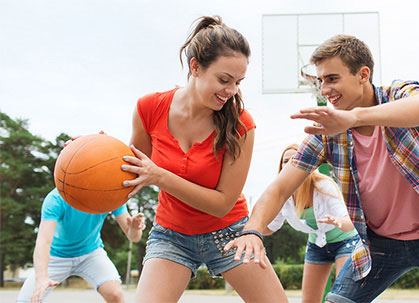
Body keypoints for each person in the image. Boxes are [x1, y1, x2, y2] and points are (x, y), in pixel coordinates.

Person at [225, 35, 419, 303]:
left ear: (363, 74)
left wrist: (354, 117)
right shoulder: (326, 132)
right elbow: (281, 187)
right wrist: (253, 229)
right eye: (320, 81)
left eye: (332, 79)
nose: (324, 90)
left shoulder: (398, 94)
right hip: (380, 245)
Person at [120, 16, 287, 302]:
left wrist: (160, 176)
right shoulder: (148, 108)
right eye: (224, 80)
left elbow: (222, 204)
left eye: (237, 82)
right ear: (195, 67)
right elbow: (131, 171)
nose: (232, 90)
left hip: (230, 232)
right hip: (171, 235)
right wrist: (91, 152)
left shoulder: (241, 124)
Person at [266, 144, 360, 302]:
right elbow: (270, 227)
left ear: (305, 162)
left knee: (341, 298)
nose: (289, 164)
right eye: (285, 161)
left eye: (294, 160)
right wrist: (247, 229)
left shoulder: (323, 185)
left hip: (346, 241)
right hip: (317, 245)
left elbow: (350, 222)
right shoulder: (282, 194)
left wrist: (337, 221)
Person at [16, 188, 145, 303]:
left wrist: (134, 228)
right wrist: (41, 277)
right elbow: (43, 242)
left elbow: (134, 237)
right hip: (55, 256)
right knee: (26, 300)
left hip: (91, 253)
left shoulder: (111, 195)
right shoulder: (56, 198)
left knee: (115, 295)